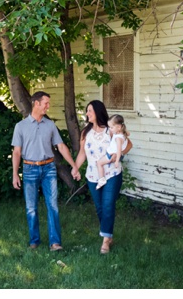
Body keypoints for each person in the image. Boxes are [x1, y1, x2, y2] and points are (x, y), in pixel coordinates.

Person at [11, 91, 80, 251]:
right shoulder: (20, 126)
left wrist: (73, 165)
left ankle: (55, 243)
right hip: (29, 169)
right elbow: (16, 152)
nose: (48, 106)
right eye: (46, 103)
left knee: (53, 205)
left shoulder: (50, 125)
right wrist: (15, 174)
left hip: (49, 168)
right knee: (31, 207)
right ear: (36, 103)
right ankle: (34, 241)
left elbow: (61, 146)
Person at [74, 100, 132, 254]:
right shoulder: (85, 132)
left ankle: (106, 241)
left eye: (90, 111)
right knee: (100, 207)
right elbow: (82, 153)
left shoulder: (110, 130)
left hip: (112, 174)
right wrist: (75, 168)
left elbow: (128, 144)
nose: (87, 114)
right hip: (93, 175)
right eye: (87, 111)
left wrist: (118, 155)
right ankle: (108, 233)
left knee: (108, 205)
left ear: (98, 112)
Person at [95, 114, 129, 189]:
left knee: (99, 163)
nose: (110, 129)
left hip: (110, 155)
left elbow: (119, 150)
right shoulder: (121, 133)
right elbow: (128, 133)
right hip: (112, 154)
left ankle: (101, 179)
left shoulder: (118, 138)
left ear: (119, 127)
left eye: (111, 127)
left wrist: (117, 161)